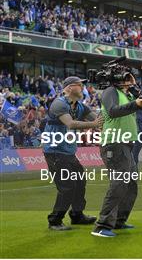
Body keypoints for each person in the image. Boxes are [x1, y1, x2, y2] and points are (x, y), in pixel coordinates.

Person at [92, 74, 142, 237]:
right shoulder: (110, 91)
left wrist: (135, 90)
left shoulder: (127, 94)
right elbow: (112, 111)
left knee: (130, 184)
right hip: (114, 143)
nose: (130, 80)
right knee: (119, 183)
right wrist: (134, 104)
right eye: (127, 78)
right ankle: (102, 225)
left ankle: (118, 220)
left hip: (125, 145)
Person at [42, 76, 102, 231]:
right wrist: (94, 124)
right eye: (79, 85)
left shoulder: (80, 106)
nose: (83, 87)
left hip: (68, 152)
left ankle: (77, 215)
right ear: (68, 88)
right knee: (67, 186)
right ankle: (55, 221)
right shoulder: (59, 103)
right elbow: (71, 123)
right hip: (55, 151)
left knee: (80, 180)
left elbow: (99, 120)